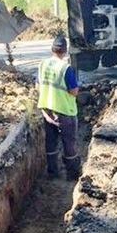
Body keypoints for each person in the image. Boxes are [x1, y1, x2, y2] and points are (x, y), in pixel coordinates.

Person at [36, 35, 81, 180]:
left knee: (51, 143)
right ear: (65, 51)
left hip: (47, 111)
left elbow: (38, 86)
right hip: (65, 111)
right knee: (69, 143)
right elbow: (74, 91)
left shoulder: (43, 64)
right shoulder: (65, 68)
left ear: (52, 49)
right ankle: (72, 175)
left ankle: (52, 173)